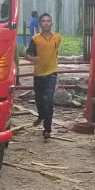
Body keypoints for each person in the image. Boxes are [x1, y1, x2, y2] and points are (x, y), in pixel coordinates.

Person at [24, 13, 61, 141]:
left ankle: (47, 129)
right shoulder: (35, 39)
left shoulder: (57, 37)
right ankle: (41, 115)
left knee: (48, 101)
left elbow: (55, 52)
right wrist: (33, 59)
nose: (46, 23)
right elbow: (27, 55)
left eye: (48, 21)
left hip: (52, 73)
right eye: (43, 21)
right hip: (38, 74)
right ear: (40, 24)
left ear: (52, 23)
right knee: (39, 100)